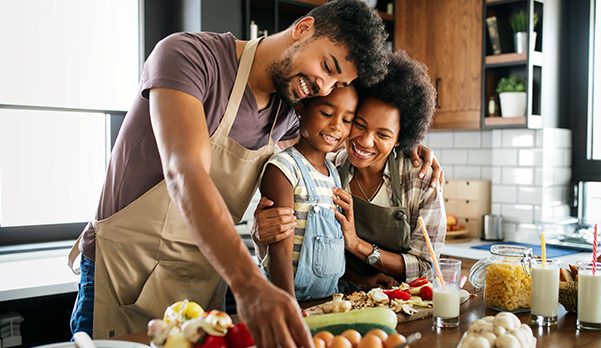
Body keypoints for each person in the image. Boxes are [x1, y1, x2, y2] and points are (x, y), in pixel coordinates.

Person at [67, 0, 391, 344]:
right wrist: (249, 283)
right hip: (126, 275)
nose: (323, 87)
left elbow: (339, 144)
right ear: (303, 29)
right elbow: (185, 171)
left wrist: (405, 148)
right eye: (327, 66)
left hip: (202, 283)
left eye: (335, 83)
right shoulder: (188, 57)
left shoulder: (289, 110)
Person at [253, 51, 446, 292]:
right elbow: (290, 246)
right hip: (339, 299)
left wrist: (357, 245)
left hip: (404, 301)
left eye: (383, 135)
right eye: (359, 124)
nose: (365, 141)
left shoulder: (420, 180)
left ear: (400, 139)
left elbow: (427, 266)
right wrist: (261, 230)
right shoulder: (329, 167)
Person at [261, 86, 357, 301]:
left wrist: (362, 280)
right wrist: (289, 306)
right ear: (301, 109)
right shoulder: (283, 168)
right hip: (286, 300)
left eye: (347, 120)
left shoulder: (333, 173)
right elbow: (280, 250)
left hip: (327, 300)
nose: (336, 126)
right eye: (326, 113)